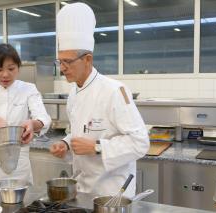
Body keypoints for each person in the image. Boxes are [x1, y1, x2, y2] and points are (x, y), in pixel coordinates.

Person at [50, 3, 149, 197]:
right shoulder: (74, 94)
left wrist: (96, 148)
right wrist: (66, 143)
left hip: (111, 194)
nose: (62, 68)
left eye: (67, 62)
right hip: (82, 189)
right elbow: (81, 131)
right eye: (59, 61)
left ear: (87, 59)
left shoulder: (114, 91)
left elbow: (140, 143)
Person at [0, 43, 51, 182]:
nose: (5, 74)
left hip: (19, 165)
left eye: (11, 69)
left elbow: (43, 118)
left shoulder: (28, 89)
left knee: (21, 202)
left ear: (18, 68)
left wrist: (32, 123)